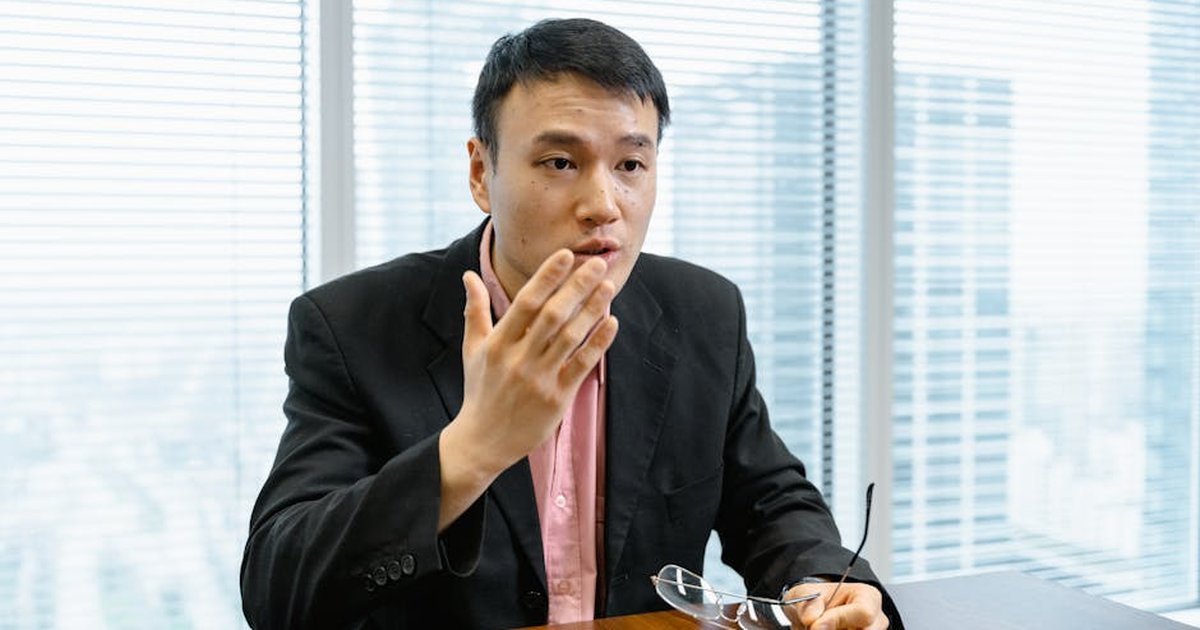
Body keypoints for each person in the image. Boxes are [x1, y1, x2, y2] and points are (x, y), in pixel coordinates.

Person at [241, 17, 903, 630]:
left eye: (630, 166)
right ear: (482, 171)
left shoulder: (704, 312)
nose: (602, 204)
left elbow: (769, 502)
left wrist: (820, 581)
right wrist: (470, 451)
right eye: (560, 162)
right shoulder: (354, 326)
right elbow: (279, 590)